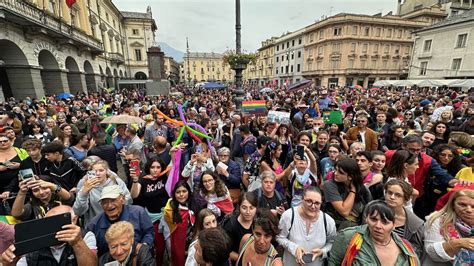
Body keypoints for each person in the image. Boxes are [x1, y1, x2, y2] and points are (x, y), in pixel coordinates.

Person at [385, 135, 456, 218]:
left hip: (417, 199)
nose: (415, 153)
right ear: (403, 146)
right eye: (412, 150)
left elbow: (442, 175)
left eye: (418, 150)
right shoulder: (390, 155)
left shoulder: (428, 160)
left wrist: (454, 182)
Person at [329, 200, 420, 265]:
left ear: (393, 225)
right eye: (373, 219)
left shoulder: (407, 250)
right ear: (366, 219)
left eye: (385, 222)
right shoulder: (348, 237)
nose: (378, 226)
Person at [1, 205, 97, 266]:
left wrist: (77, 243)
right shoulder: (33, 245)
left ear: (74, 220)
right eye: (49, 223)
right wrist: (8, 264)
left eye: (59, 222)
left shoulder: (85, 236)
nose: (54, 228)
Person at [86, 185, 154, 257]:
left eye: (113, 200)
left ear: (122, 199)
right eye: (105, 202)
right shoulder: (94, 224)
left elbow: (149, 232)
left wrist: (143, 247)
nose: (109, 205)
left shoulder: (138, 213)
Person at [277, 186, 337, 266]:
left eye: (317, 203)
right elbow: (279, 237)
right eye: (309, 201)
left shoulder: (328, 222)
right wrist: (294, 248)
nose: (313, 206)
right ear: (302, 200)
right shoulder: (289, 216)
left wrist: (322, 251)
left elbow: (332, 243)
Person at [424, 189, 474, 265]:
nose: (469, 210)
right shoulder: (437, 220)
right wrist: (457, 243)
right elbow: (432, 253)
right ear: (453, 205)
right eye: (462, 205)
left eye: (473, 206)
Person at [323, 158, 372, 230]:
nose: (336, 173)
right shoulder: (330, 185)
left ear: (350, 177)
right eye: (335, 170)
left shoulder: (362, 189)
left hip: (358, 227)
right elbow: (344, 211)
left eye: (341, 172)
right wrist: (353, 191)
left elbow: (369, 209)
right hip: (336, 226)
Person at [384, 179, 425, 258]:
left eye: (398, 195)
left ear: (406, 199)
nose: (392, 197)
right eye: (389, 193)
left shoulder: (415, 224)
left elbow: (416, 251)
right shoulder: (372, 208)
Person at [161, 181, 195, 266]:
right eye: (178, 192)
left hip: (192, 240)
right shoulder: (169, 210)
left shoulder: (194, 204)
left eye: (184, 191)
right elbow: (167, 231)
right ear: (174, 194)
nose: (181, 194)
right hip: (176, 243)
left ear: (189, 192)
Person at [222, 192, 258, 263]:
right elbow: (226, 251)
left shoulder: (258, 221)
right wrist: (245, 259)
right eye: (244, 208)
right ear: (239, 207)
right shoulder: (231, 225)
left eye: (251, 208)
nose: (248, 212)